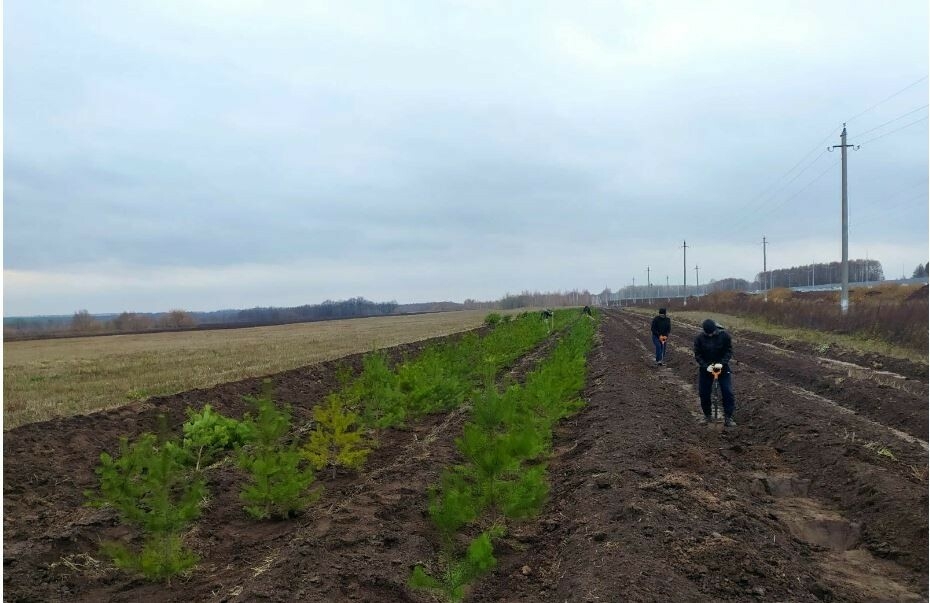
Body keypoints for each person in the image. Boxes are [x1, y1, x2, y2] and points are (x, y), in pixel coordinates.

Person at [693, 318, 737, 427]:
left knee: (727, 391)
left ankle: (728, 417)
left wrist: (721, 364)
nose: (710, 335)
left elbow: (729, 351)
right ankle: (707, 415)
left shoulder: (724, 336)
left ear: (715, 329)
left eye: (712, 333)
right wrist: (706, 366)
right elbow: (697, 354)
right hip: (706, 369)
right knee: (704, 392)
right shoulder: (699, 338)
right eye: (708, 334)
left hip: (722, 367)